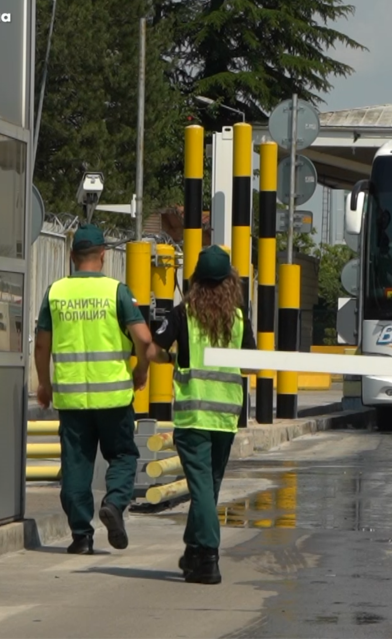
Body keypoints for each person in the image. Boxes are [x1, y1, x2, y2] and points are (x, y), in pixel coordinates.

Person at [34, 224, 152, 555]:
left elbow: (42, 346)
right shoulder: (117, 291)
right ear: (103, 255)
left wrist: (44, 383)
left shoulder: (55, 292)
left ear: (72, 257)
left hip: (72, 399)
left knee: (76, 465)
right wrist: (141, 369)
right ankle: (114, 503)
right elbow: (143, 339)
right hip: (114, 398)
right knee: (124, 455)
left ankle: (81, 536)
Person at [148, 246, 256, 584]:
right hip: (225, 417)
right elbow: (250, 363)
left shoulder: (184, 313)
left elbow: (154, 349)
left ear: (195, 280)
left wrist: (171, 360)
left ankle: (208, 556)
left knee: (201, 489)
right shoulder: (238, 318)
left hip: (194, 416)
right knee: (207, 487)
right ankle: (194, 551)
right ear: (229, 281)